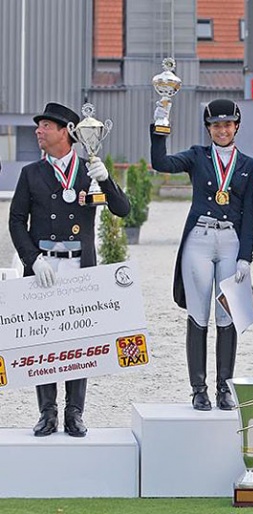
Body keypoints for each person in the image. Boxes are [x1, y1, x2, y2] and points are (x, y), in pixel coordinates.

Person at [9, 102, 130, 437]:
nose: (38, 131)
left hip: (80, 266)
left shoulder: (87, 169)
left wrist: (107, 182)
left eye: (45, 126)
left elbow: (122, 210)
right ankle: (47, 411)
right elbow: (17, 221)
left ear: (65, 132)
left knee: (80, 341)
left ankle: (74, 412)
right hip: (45, 266)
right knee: (43, 342)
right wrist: (32, 259)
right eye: (39, 126)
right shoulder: (31, 173)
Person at [150, 99, 253, 411]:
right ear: (208, 128)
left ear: (236, 126)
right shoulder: (197, 156)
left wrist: (245, 256)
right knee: (198, 314)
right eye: (216, 125)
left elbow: (250, 213)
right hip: (199, 238)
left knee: (227, 315)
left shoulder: (249, 165)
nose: (222, 130)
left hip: (231, 240)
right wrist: (160, 125)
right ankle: (199, 388)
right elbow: (161, 163)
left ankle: (225, 387)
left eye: (227, 125)